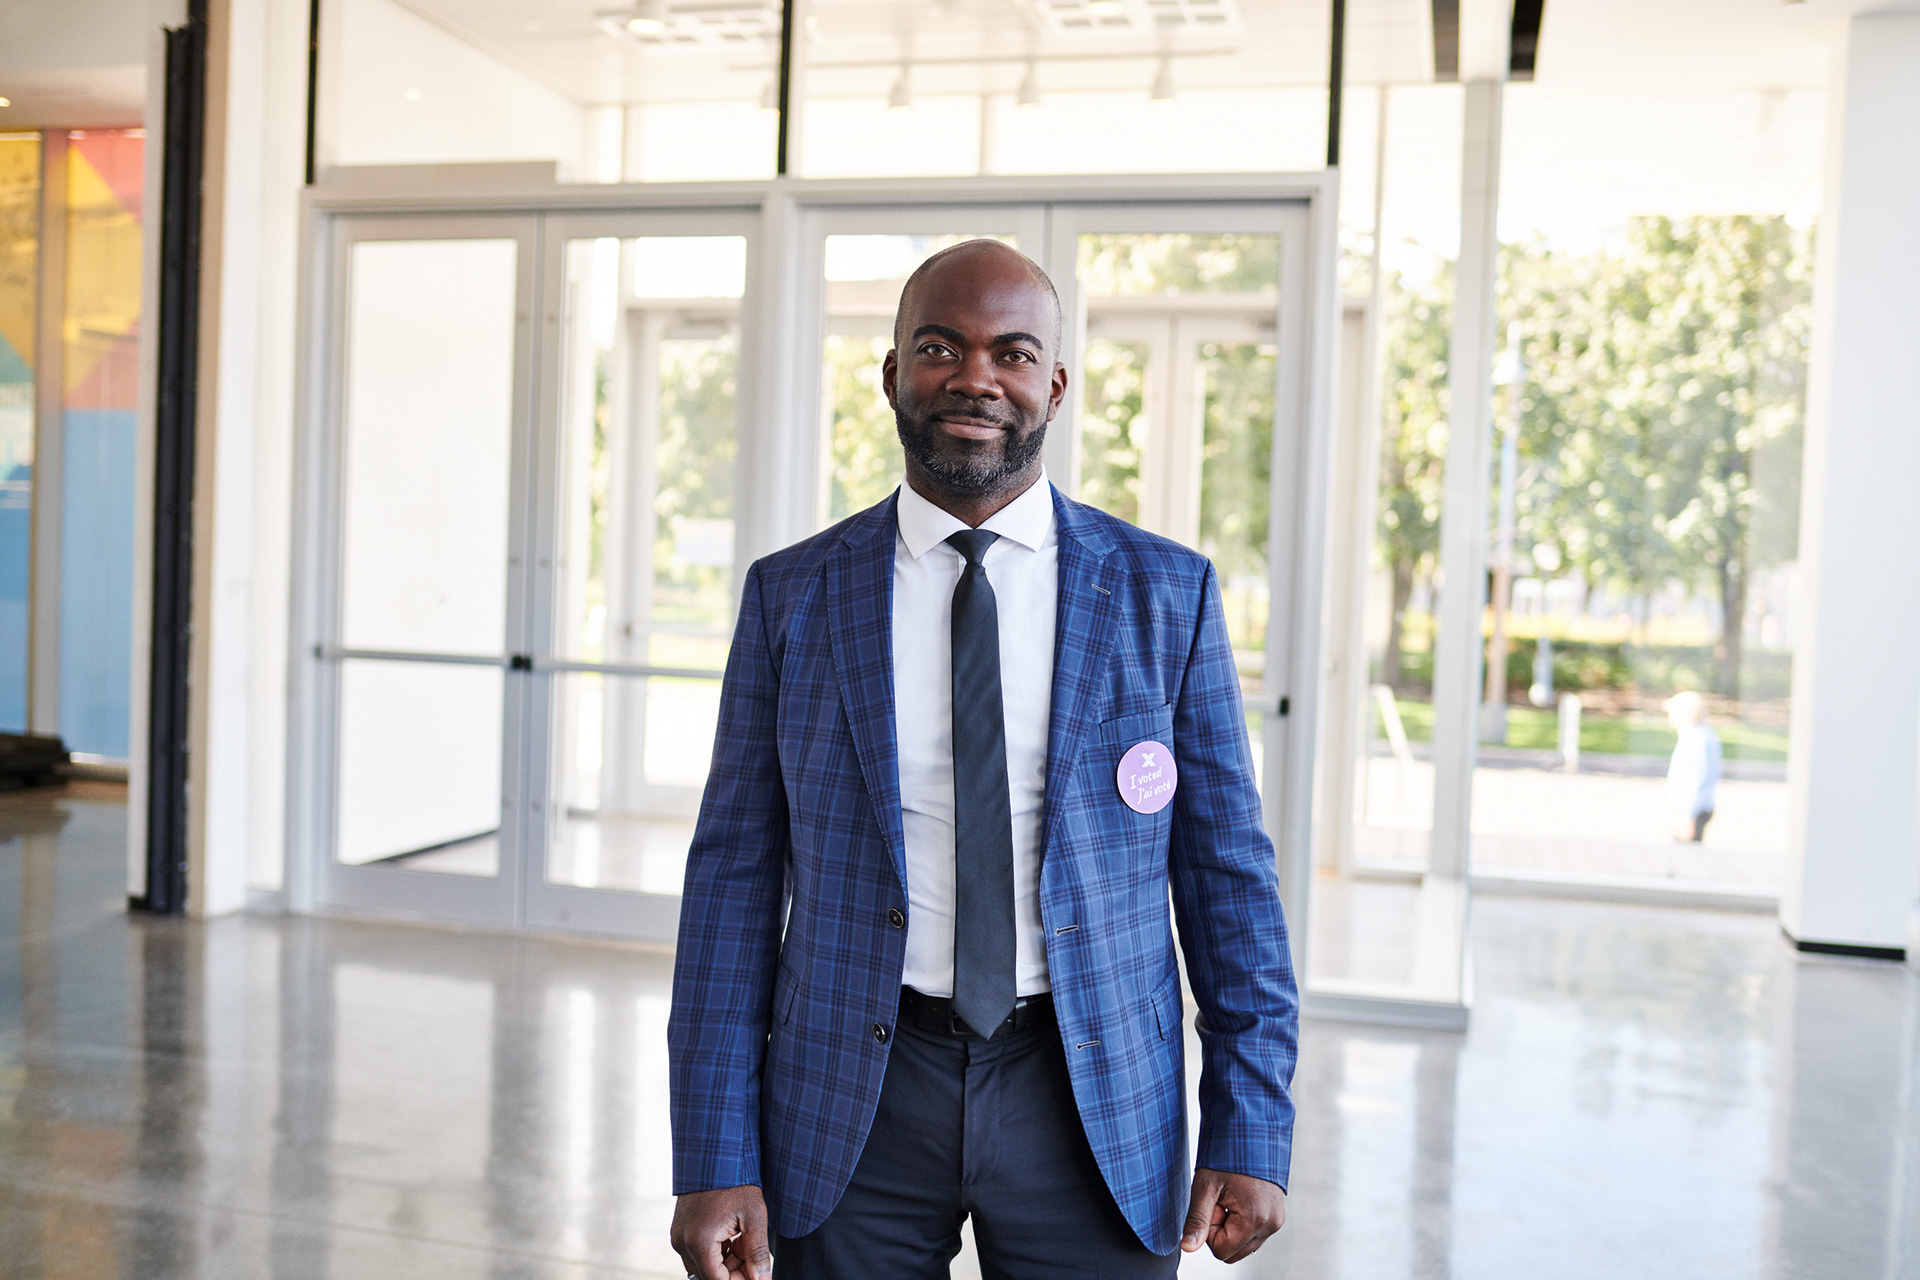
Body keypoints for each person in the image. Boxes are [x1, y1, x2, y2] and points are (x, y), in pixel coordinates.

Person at [667, 239, 1299, 1280]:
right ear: (892, 375)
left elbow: (1229, 876)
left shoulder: (1162, 594)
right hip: (849, 1097)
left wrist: (1250, 1125)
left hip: (1092, 1094)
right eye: (939, 346)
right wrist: (714, 1149)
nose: (975, 377)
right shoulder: (794, 598)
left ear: (1053, 384)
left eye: (1011, 352)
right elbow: (732, 880)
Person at [1665, 690, 1722, 842]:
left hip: (1692, 811)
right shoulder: (1700, 735)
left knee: (1686, 859)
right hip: (1694, 809)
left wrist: (1688, 815)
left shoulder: (1697, 739)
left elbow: (1697, 777)